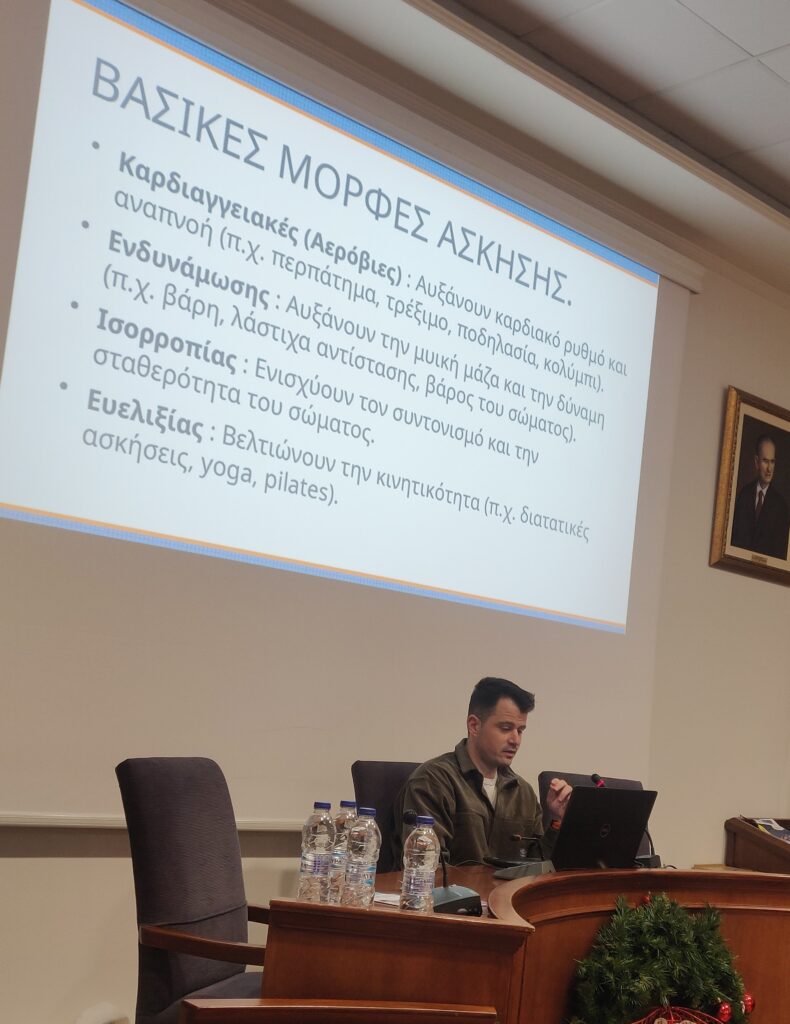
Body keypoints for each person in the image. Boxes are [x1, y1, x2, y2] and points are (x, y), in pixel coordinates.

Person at [393, 677, 572, 866]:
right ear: (474, 726)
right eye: (506, 728)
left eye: (520, 730)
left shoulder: (523, 792)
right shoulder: (433, 780)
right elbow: (426, 867)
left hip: (507, 887)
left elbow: (537, 866)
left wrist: (559, 820)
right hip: (455, 887)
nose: (515, 740)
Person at [730, 434, 790, 560]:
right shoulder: (744, 495)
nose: (769, 469)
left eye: (772, 462)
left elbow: (779, 555)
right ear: (756, 462)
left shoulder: (781, 507)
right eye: (765, 461)